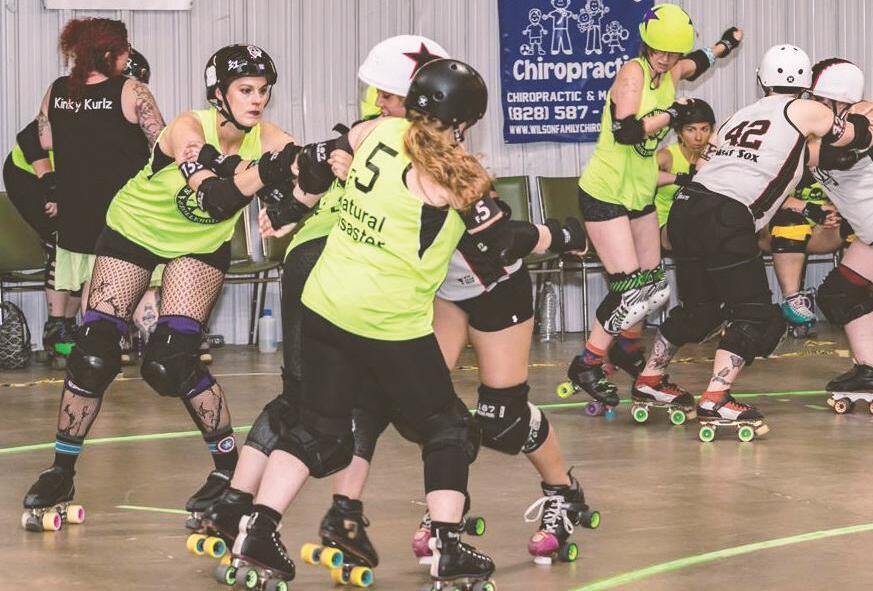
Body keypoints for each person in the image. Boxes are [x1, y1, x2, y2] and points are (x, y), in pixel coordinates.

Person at [229, 59, 497, 590]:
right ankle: (447, 546)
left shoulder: (378, 130)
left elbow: (321, 161)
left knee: (317, 430)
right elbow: (499, 244)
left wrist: (292, 208)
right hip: (389, 320)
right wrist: (563, 236)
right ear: (463, 121)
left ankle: (257, 531)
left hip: (326, 302)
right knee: (446, 426)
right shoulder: (454, 174)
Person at [21, 43, 304, 532]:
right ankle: (61, 471)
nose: (257, 100)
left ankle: (228, 468)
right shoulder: (187, 129)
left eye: (262, 90)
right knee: (93, 353)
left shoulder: (270, 137)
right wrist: (267, 172)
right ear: (219, 93)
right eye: (245, 90)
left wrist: (296, 199)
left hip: (199, 246)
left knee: (170, 361)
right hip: (135, 230)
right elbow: (213, 197)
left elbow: (305, 172)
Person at [633, 45, 871, 441]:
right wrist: (860, 119)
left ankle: (650, 378)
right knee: (757, 315)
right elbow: (851, 139)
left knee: (700, 309)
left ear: (761, 79)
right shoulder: (806, 111)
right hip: (726, 217)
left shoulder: (737, 116)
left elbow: (716, 165)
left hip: (687, 208)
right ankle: (716, 398)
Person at [564, 4, 743, 414]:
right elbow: (626, 132)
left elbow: (698, 62)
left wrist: (725, 45)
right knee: (630, 291)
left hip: (640, 192)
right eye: (659, 50)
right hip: (606, 192)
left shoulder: (673, 70)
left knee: (655, 288)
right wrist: (671, 113)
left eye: (671, 52)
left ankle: (627, 350)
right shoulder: (633, 73)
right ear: (646, 44)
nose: (664, 58)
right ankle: (587, 364)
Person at [3, 40, 156, 368]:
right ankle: (57, 328)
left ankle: (72, 326)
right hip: (29, 174)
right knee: (64, 241)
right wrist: (50, 185)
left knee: (89, 245)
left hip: (68, 180)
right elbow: (30, 139)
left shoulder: (119, 110)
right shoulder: (76, 100)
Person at [802, 59, 873, 412]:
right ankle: (869, 369)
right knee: (838, 295)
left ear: (840, 100)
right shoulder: (820, 130)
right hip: (869, 235)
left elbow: (841, 154)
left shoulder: (863, 116)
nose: (812, 106)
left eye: (819, 100)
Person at [762, 172, 848, 338]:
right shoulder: (781, 157)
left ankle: (852, 297)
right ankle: (792, 300)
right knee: (791, 222)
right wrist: (809, 209)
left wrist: (838, 212)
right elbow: (761, 193)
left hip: (823, 229)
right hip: (775, 228)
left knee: (863, 225)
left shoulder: (840, 158)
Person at [654, 98, 715, 250]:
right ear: (679, 132)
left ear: (712, 131)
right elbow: (639, 177)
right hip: (665, 227)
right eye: (690, 130)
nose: (698, 137)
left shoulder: (716, 158)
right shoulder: (666, 157)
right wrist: (677, 179)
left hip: (702, 226)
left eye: (704, 129)